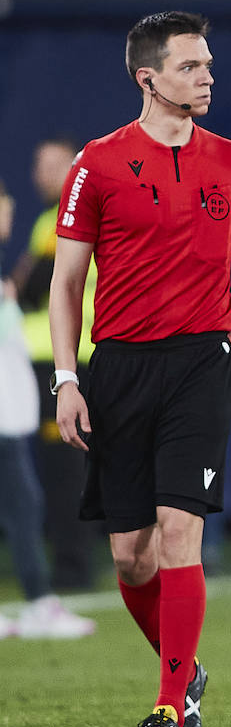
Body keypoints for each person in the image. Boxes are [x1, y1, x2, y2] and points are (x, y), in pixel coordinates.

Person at [50, 11, 231, 727]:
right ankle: (183, 668)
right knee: (131, 553)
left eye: (209, 64)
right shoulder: (97, 163)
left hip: (202, 364)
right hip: (117, 366)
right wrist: (66, 378)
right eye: (191, 67)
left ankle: (171, 705)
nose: (208, 75)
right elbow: (65, 284)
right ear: (146, 79)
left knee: (180, 531)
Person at [0, 180, 96, 640]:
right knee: (25, 502)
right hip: (7, 416)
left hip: (12, 415)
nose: (9, 207)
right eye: (2, 201)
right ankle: (40, 602)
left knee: (25, 501)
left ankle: (40, 601)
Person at [11, 136, 101, 591]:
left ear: (75, 168)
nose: (41, 174)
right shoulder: (48, 219)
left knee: (66, 470)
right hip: (52, 359)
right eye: (38, 165)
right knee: (62, 469)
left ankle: (72, 569)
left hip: (65, 361)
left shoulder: (69, 217)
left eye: (53, 165)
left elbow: (32, 287)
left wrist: (17, 284)